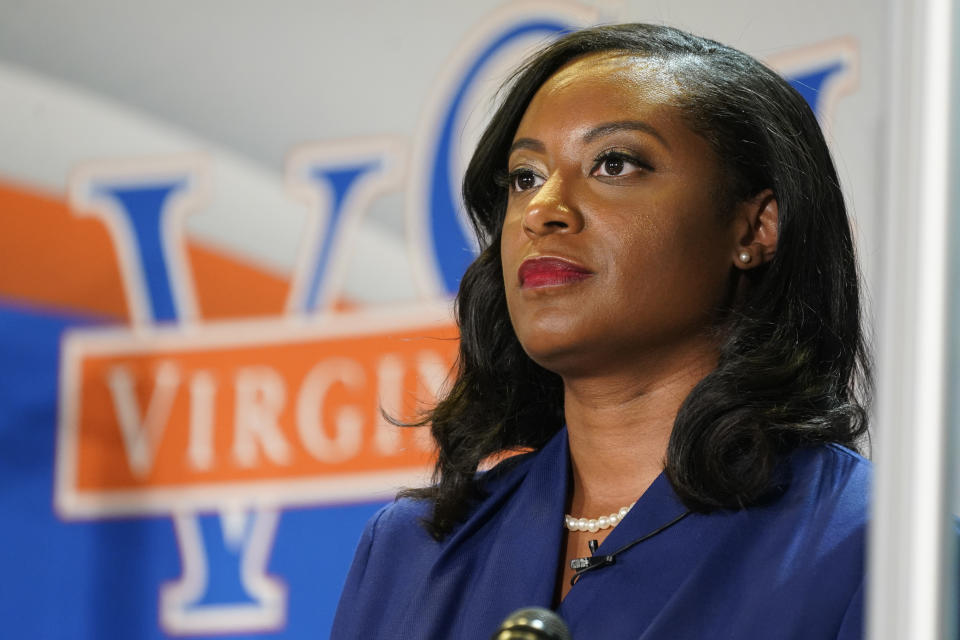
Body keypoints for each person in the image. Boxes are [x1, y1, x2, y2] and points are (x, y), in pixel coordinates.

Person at [332, 23, 871, 639]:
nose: (543, 211)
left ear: (754, 229)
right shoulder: (409, 553)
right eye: (525, 177)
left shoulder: (871, 547)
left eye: (614, 164)